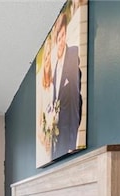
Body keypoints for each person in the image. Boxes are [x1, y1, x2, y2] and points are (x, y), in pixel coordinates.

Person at [52, 12, 82, 159]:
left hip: (68, 139)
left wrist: (72, 143)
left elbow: (77, 100)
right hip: (57, 138)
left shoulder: (73, 53)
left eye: (63, 35)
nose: (61, 40)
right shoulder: (55, 68)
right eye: (59, 38)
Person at [36, 36, 56, 166]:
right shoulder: (40, 86)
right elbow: (39, 124)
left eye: (50, 53)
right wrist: (45, 139)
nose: (48, 57)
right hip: (45, 145)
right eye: (47, 54)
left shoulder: (56, 82)